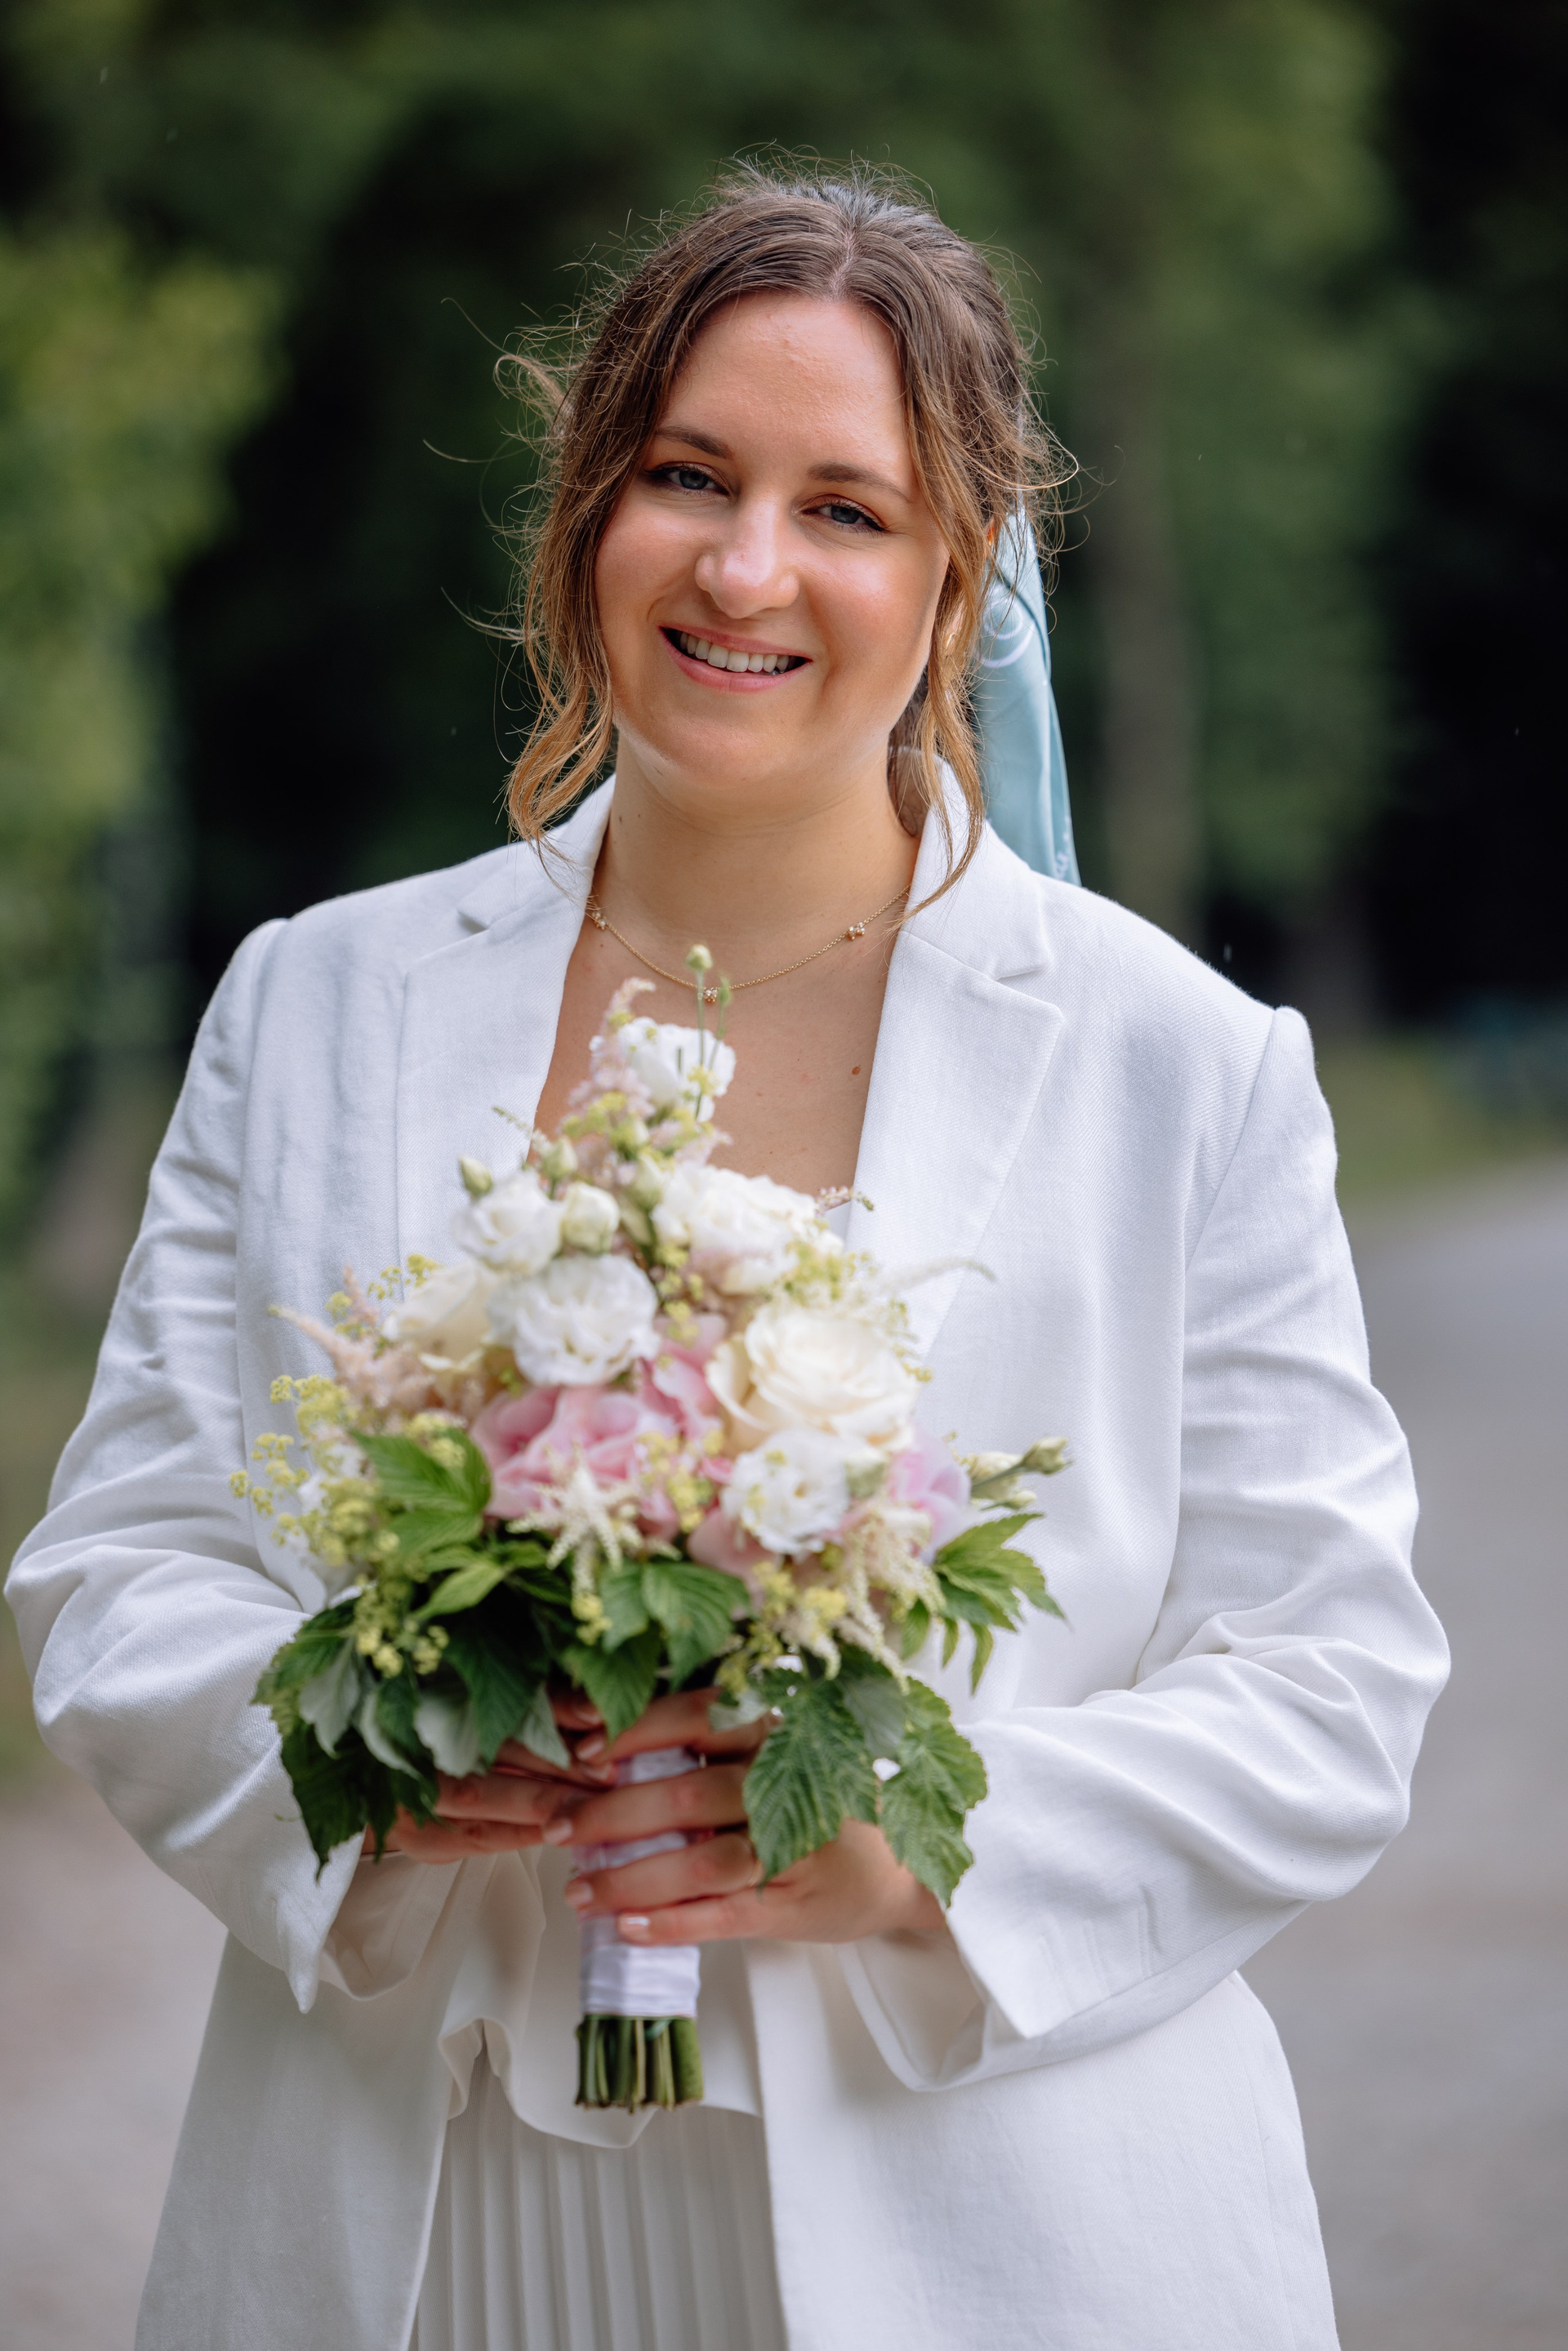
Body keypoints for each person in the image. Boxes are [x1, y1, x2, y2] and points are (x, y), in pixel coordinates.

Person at [8, 167, 1447, 2351]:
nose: (746, 566)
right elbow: (124, 1562)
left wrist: (909, 1851)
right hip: (420, 2213)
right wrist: (364, 1779)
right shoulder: (314, 1000)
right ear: (592, 507)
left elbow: (1327, 1683)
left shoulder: (1185, 1068)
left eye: (843, 508)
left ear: (957, 580)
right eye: (687, 476)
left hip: (986, 2225)